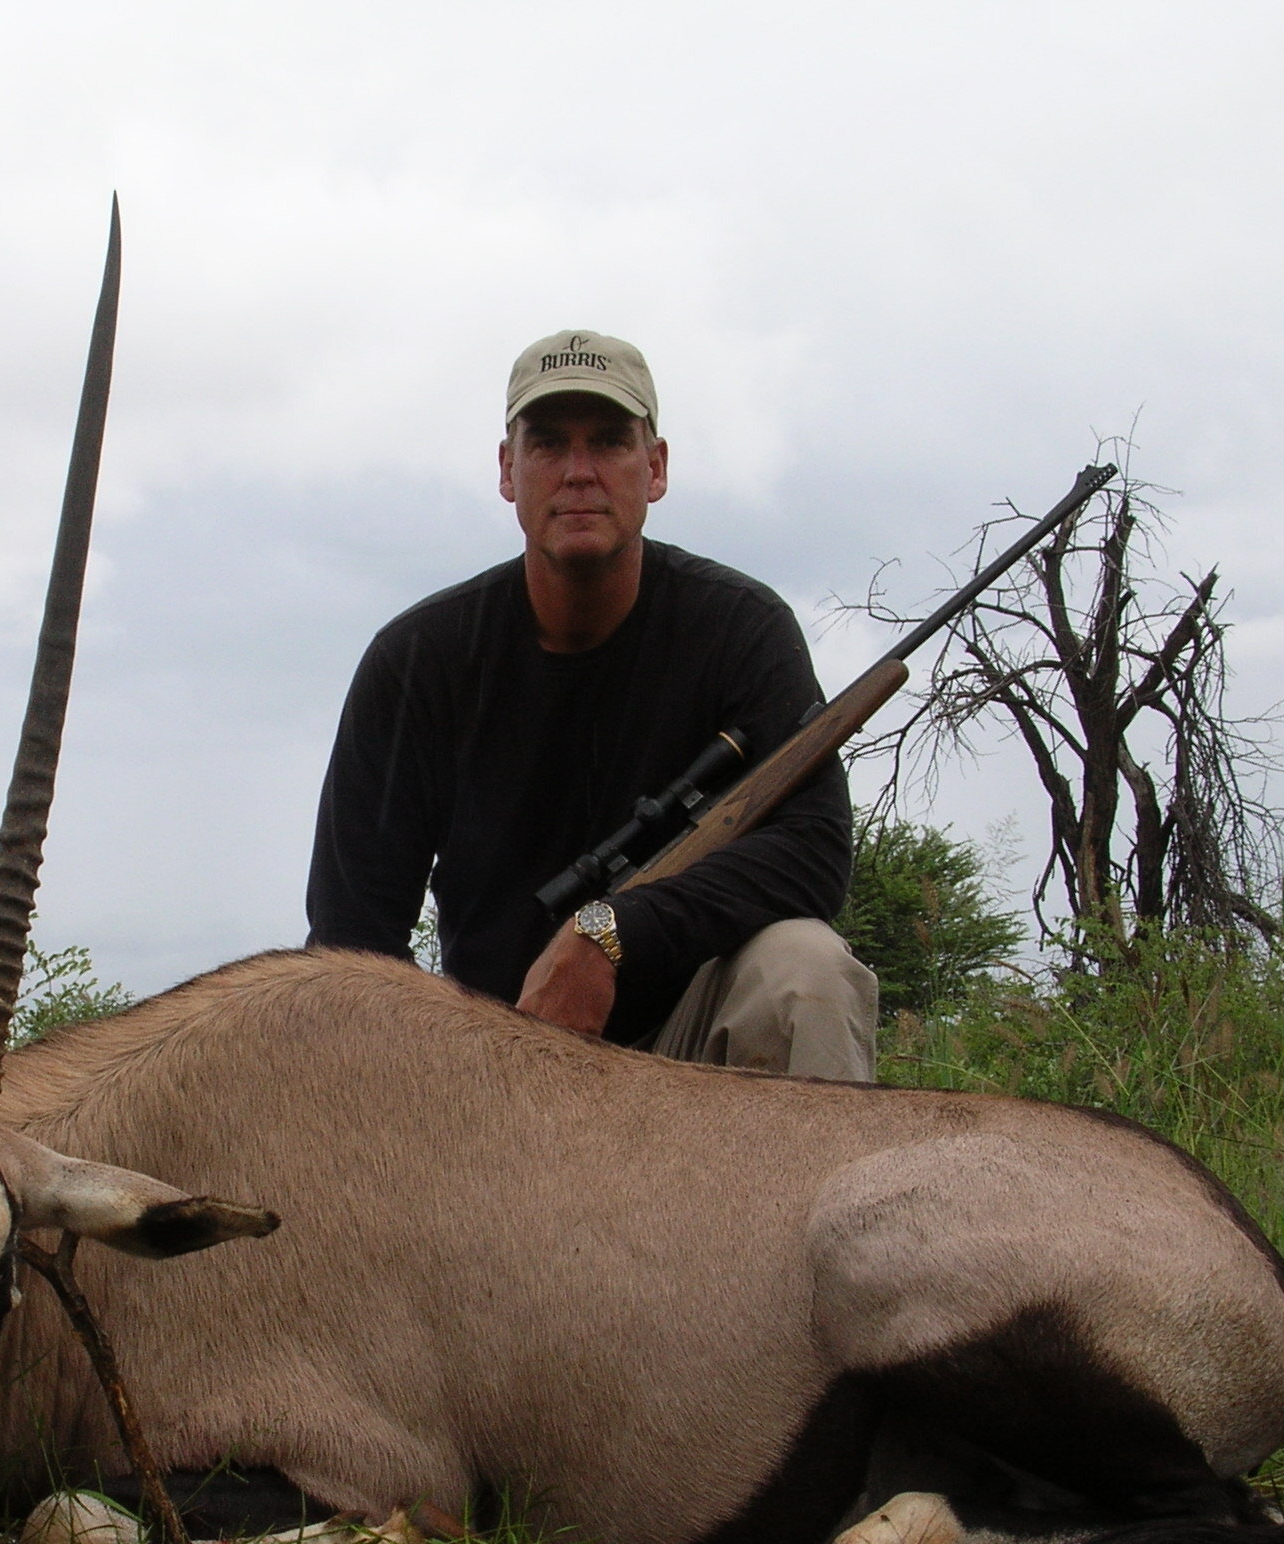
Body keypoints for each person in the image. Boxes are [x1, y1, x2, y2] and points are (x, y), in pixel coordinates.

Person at [306, 330, 879, 1078]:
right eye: (548, 445)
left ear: (656, 468)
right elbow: (351, 939)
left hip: (690, 1058)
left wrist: (608, 932)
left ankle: (816, 1195)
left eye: (609, 442)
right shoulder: (414, 661)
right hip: (492, 1059)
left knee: (807, 969)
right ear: (509, 470)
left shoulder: (744, 628)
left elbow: (815, 849)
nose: (579, 473)